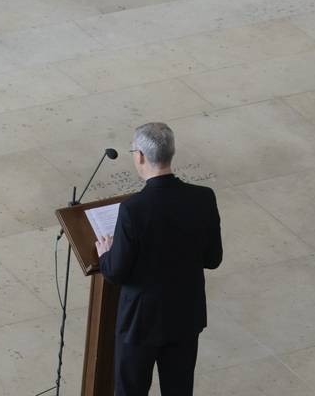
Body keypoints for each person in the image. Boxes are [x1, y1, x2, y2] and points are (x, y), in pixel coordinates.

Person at [94, 121, 222, 396]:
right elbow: (213, 259)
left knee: (131, 390)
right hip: (186, 315)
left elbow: (116, 272)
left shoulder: (133, 210)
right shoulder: (203, 198)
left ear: (139, 156)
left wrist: (105, 254)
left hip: (141, 322)